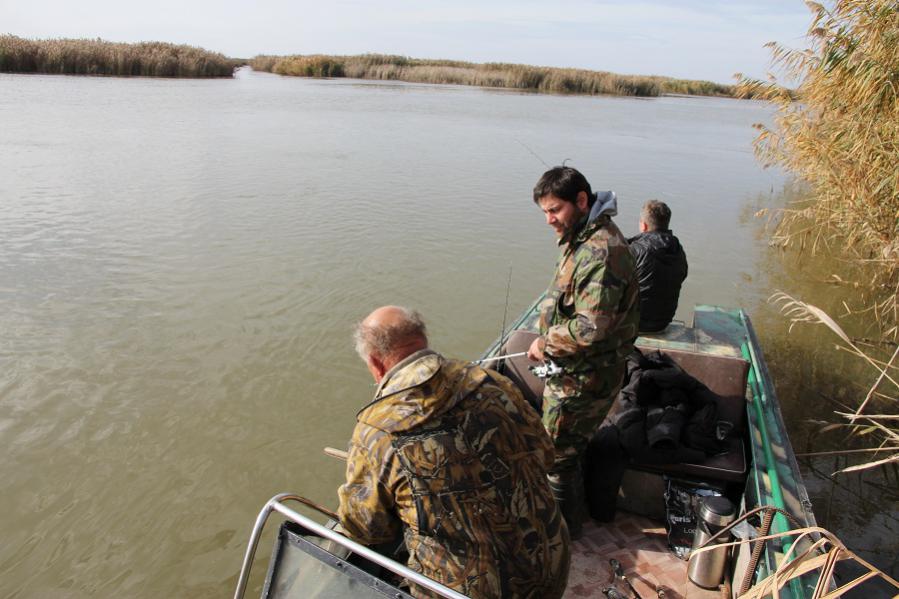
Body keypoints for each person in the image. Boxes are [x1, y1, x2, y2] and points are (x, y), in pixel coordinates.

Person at [338, 305, 570, 599]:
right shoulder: (489, 380)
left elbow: (367, 530)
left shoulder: (377, 430)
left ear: (375, 363)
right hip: (551, 565)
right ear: (423, 339)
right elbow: (546, 454)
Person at [526, 166, 640, 538]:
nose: (549, 220)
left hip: (583, 378)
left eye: (555, 210)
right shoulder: (583, 234)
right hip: (576, 370)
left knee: (555, 458)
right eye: (544, 212)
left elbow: (591, 328)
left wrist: (545, 343)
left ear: (581, 200)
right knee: (567, 451)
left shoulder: (600, 251)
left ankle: (564, 537)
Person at [628, 200, 688, 333]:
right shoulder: (678, 250)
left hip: (633, 324)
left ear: (643, 225)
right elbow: (682, 276)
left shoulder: (635, 250)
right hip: (662, 323)